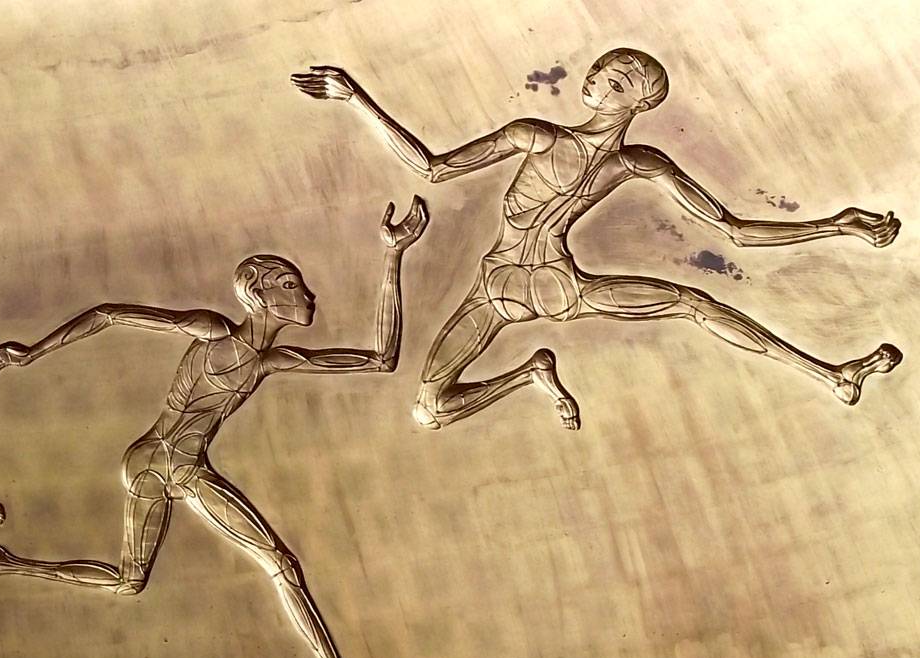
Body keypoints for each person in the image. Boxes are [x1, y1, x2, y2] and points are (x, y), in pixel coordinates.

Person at [0, 197, 430, 658]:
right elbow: (110, 313)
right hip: (157, 464)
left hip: (179, 469)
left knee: (144, 581)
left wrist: (394, 254)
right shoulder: (213, 331)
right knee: (263, 565)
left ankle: (7, 564)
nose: (307, 294)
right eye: (290, 284)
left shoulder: (273, 361)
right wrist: (29, 352)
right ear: (260, 294)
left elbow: (381, 359)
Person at [292, 49, 902, 431]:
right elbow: (433, 168)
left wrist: (837, 225)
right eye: (601, 70)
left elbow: (734, 230)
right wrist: (357, 99)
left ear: (643, 100)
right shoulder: (535, 134)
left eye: (620, 76)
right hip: (501, 289)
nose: (599, 78)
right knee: (429, 409)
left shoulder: (639, 162)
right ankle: (531, 372)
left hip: (555, 286)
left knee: (693, 302)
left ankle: (830, 373)